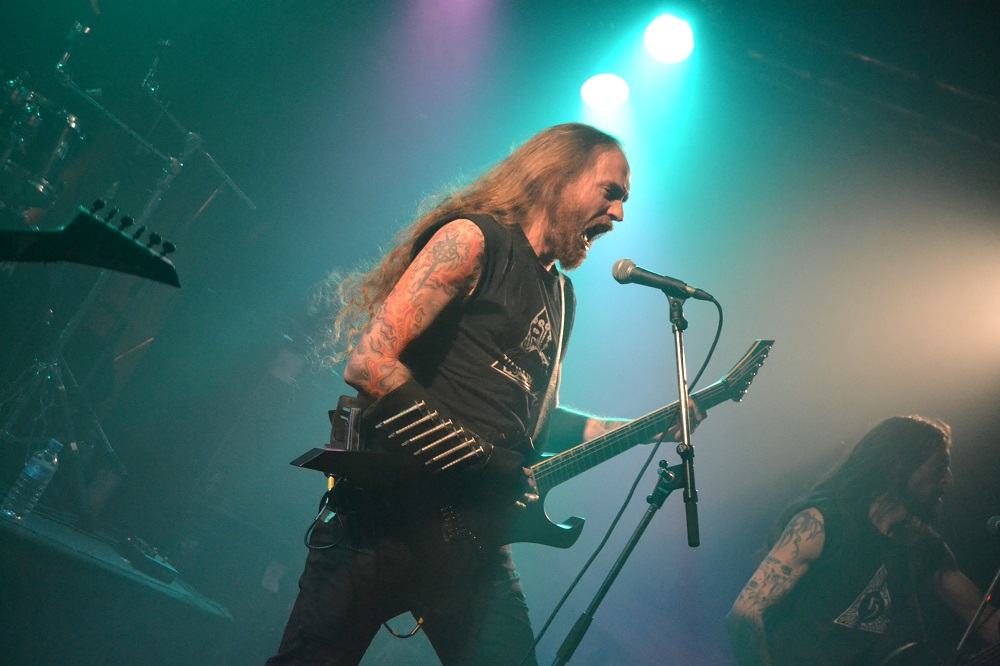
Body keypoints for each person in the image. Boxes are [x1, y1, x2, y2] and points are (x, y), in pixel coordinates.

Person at [269, 123, 699, 665]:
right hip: (381, 520)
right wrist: (479, 459)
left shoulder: (562, 296)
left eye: (624, 201)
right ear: (558, 177)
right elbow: (370, 363)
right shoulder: (473, 240)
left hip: (471, 539)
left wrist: (631, 431)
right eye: (610, 192)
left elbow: (532, 419)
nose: (618, 214)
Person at [726, 415, 1000, 665]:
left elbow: (984, 620)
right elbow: (745, 613)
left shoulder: (923, 546)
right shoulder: (822, 522)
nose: (948, 480)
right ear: (902, 465)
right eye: (940, 467)